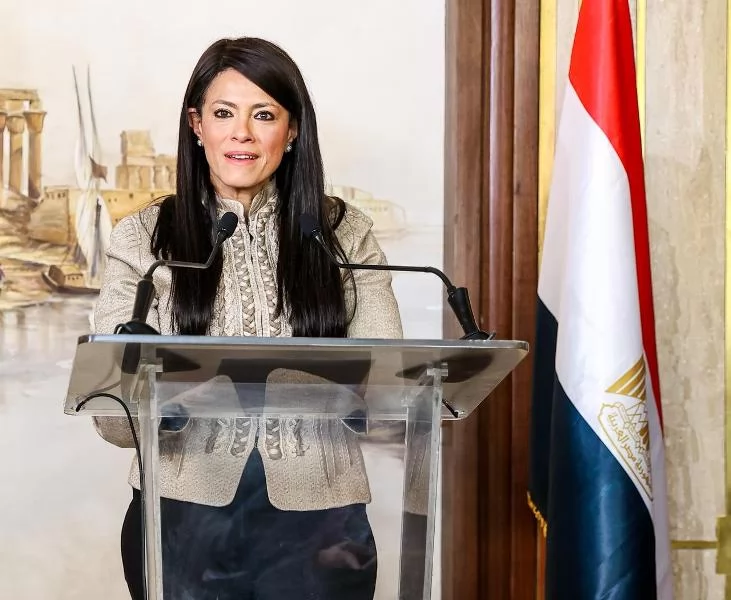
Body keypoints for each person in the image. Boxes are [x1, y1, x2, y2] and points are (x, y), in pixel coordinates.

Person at [92, 37, 402, 600]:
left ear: (293, 130)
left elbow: (388, 393)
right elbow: (114, 420)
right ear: (196, 125)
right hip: (180, 517)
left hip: (323, 524)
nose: (242, 133)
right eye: (223, 113)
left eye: (263, 115)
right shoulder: (142, 238)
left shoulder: (343, 233)